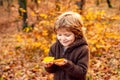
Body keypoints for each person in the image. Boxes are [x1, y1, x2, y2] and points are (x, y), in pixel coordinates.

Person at [43, 11, 90, 80]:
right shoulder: (54, 47)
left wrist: (67, 64)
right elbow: (51, 70)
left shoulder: (83, 49)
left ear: (77, 34)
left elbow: (82, 72)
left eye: (67, 35)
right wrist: (49, 66)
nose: (63, 39)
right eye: (59, 35)